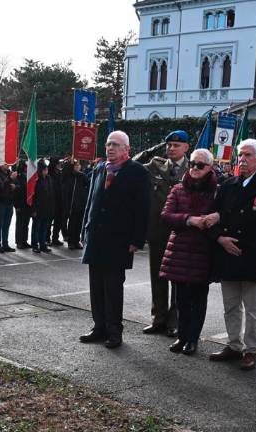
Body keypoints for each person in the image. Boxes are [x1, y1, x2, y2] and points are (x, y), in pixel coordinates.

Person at [206, 139, 256, 371]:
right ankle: (233, 345)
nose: (242, 159)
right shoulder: (228, 185)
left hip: (254, 258)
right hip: (228, 256)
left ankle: (251, 351)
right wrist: (219, 238)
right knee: (230, 306)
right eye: (240, 155)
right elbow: (213, 217)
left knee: (252, 309)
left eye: (248, 155)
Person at [79, 130, 150, 349]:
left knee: (112, 288)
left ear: (126, 149)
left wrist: (137, 239)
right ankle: (98, 327)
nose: (110, 148)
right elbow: (91, 201)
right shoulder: (100, 168)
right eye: (108, 144)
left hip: (118, 240)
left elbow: (143, 209)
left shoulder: (137, 172)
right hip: (96, 238)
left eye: (115, 145)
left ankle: (114, 331)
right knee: (96, 287)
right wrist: (84, 231)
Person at [159, 148, 218, 355]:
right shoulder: (178, 189)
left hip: (204, 251)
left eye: (200, 165)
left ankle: (192, 339)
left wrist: (215, 218)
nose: (194, 168)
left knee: (198, 300)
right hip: (180, 251)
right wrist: (189, 220)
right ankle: (181, 336)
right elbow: (166, 215)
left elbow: (225, 214)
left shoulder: (217, 190)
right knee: (181, 299)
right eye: (192, 163)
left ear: (210, 167)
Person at [141, 130, 190, 337]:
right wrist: (152, 150)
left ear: (186, 147)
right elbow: (133, 163)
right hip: (158, 231)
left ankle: (174, 320)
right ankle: (158, 318)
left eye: (176, 145)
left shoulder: (194, 167)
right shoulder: (155, 165)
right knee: (157, 276)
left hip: (181, 234)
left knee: (178, 279)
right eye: (168, 145)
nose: (171, 148)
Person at [61, 159, 89, 249]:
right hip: (72, 205)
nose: (78, 167)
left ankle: (77, 241)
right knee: (72, 224)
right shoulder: (69, 176)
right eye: (76, 165)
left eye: (78, 165)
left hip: (81, 204)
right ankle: (71, 242)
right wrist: (71, 162)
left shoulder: (82, 176)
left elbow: (87, 183)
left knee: (79, 224)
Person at [31, 159, 55, 253]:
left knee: (44, 227)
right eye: (44, 169)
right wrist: (33, 209)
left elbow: (52, 194)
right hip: (38, 208)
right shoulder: (36, 180)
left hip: (47, 208)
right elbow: (33, 195)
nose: (46, 171)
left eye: (47, 169)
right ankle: (34, 245)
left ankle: (42, 244)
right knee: (36, 227)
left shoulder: (49, 179)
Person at [0, 163, 17, 253]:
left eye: (8, 163)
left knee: (6, 225)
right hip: (1, 203)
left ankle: (5, 244)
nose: (7, 165)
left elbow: (17, 185)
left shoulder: (9, 173)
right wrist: (11, 178)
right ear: (0, 164)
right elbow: (2, 186)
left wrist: (15, 186)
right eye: (5, 163)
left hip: (9, 202)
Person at [13, 160, 31, 249]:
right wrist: (17, 206)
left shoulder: (27, 176)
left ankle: (24, 240)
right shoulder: (19, 176)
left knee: (26, 223)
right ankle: (19, 241)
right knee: (20, 223)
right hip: (20, 203)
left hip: (27, 203)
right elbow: (17, 192)